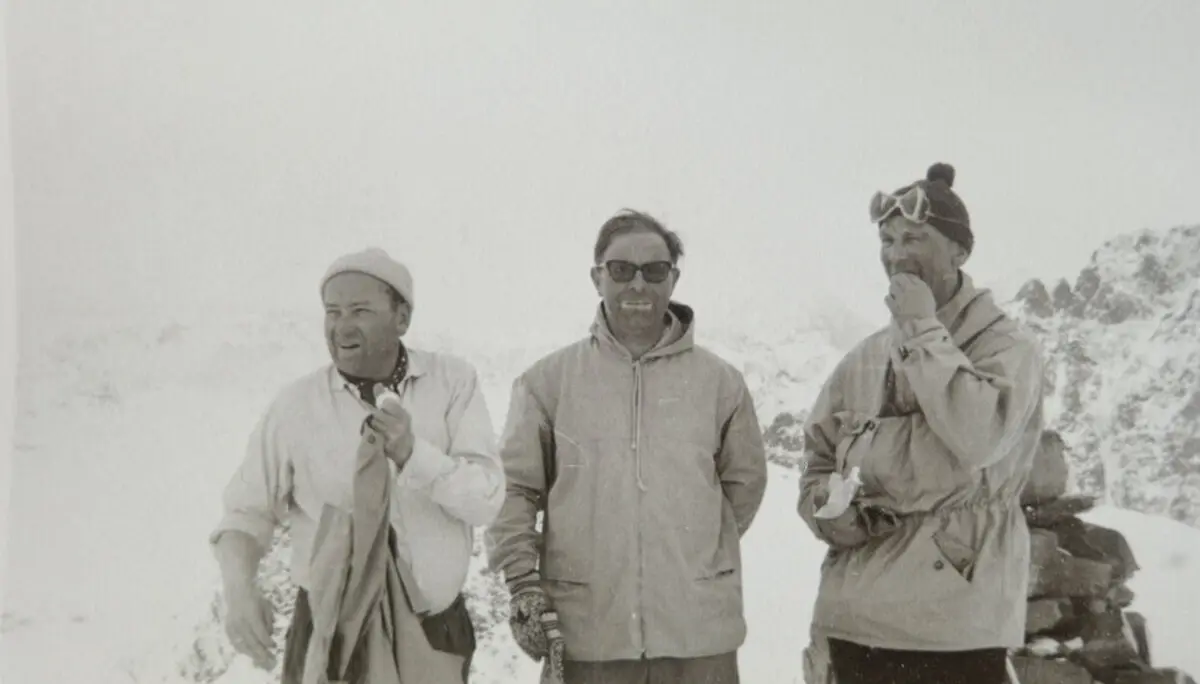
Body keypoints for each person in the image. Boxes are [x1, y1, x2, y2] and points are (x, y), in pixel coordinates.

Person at [486, 209, 769, 684]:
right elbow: (513, 491)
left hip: (699, 642)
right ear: (597, 278)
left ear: (673, 280)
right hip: (588, 639)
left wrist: (685, 555)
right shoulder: (547, 383)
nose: (638, 284)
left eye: (654, 271)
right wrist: (523, 585)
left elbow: (744, 486)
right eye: (621, 270)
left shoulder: (720, 384)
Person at [797, 163, 1045, 684]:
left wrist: (919, 326)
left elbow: (978, 439)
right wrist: (826, 510)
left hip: (954, 628)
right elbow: (818, 458)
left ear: (960, 250)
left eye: (914, 237)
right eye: (887, 239)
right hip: (853, 623)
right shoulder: (862, 360)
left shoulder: (1006, 347)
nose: (895, 253)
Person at [210, 247, 505, 683]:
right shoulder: (296, 406)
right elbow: (244, 514)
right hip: (329, 636)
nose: (342, 327)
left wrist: (412, 454)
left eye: (360, 311)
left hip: (434, 635)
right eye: (332, 312)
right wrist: (238, 591)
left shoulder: (452, 384)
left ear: (401, 318)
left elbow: (486, 501)